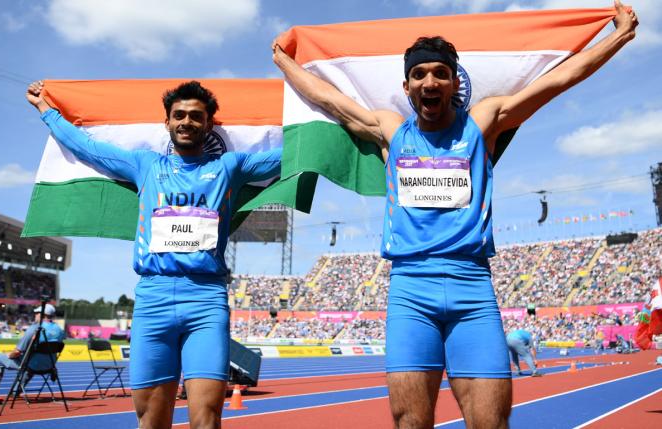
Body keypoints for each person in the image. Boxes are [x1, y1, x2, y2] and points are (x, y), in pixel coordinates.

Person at [272, 2, 637, 428]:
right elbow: (331, 100)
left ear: (454, 83)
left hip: (472, 289)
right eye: (419, 74)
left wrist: (618, 36)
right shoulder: (390, 130)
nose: (430, 81)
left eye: (440, 73)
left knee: (490, 423)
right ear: (407, 87)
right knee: (410, 421)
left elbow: (560, 79)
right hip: (410, 290)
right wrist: (283, 61)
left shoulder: (482, 122)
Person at [26, 80, 282, 429]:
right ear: (167, 122)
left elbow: (289, 156)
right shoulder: (146, 165)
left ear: (208, 125)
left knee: (207, 418)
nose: (186, 122)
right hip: (153, 300)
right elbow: (87, 148)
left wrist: (331, 124)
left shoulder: (228, 167)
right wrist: (47, 111)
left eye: (196, 116)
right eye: (179, 115)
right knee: (150, 420)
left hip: (205, 300)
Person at [0, 304, 64, 397]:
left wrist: (9, 355)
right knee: (32, 358)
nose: (35, 315)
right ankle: (15, 391)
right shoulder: (59, 330)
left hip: (32, 365)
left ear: (41, 314)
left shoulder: (34, 329)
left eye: (36, 313)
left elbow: (17, 352)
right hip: (49, 366)